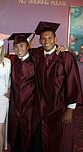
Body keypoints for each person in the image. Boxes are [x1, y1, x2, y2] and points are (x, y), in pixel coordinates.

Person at [31, 21, 83, 152]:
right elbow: (21, 56)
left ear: (56, 39)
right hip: (41, 107)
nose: (46, 41)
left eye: (49, 38)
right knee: (39, 138)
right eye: (43, 38)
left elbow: (73, 82)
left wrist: (70, 109)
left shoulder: (65, 57)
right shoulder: (37, 55)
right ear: (40, 41)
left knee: (57, 140)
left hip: (59, 107)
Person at [7, 33, 35, 152]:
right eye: (16, 46)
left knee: (29, 135)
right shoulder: (12, 62)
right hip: (15, 105)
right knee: (16, 134)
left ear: (28, 46)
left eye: (22, 46)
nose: (19, 49)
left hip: (30, 105)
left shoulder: (35, 61)